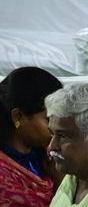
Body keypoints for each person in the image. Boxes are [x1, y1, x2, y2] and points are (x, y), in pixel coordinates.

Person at [0, 66, 64, 204]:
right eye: (49, 119)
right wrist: (61, 182)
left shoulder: (50, 156)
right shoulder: (3, 179)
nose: (58, 128)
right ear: (18, 116)